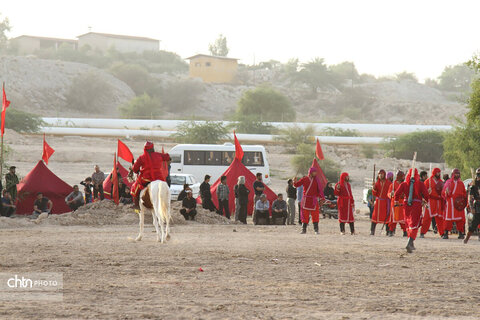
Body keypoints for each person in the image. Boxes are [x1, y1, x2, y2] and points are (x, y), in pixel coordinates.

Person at [394, 168, 429, 253]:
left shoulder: (404, 184)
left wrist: (396, 201)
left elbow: (396, 194)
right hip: (416, 206)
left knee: (409, 224)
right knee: (414, 225)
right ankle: (409, 242)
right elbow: (426, 195)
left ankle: (411, 243)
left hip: (406, 206)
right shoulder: (420, 184)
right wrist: (425, 200)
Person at [130, 141, 170, 208]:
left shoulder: (141, 158)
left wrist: (137, 171)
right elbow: (167, 156)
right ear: (152, 148)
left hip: (146, 179)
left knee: (135, 187)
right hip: (159, 178)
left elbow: (134, 168)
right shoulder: (158, 155)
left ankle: (136, 204)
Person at [294, 166, 325, 235]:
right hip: (306, 199)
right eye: (314, 172)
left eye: (316, 172)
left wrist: (321, 198)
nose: (315, 173)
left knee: (315, 215)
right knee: (305, 215)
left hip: (314, 200)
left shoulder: (317, 180)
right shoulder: (304, 179)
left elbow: (320, 190)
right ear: (311, 172)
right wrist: (294, 181)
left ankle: (316, 230)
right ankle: (303, 230)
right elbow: (296, 185)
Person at [441, 168, 467, 239]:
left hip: (459, 203)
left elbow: (464, 193)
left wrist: (463, 201)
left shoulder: (461, 183)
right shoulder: (448, 182)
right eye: (456, 173)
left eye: (458, 173)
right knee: (448, 218)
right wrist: (446, 193)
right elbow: (444, 192)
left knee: (460, 219)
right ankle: (446, 233)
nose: (457, 175)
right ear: (452, 174)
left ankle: (461, 233)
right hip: (450, 202)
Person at [421, 168, 444, 238]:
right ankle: (422, 232)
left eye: (439, 173)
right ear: (434, 173)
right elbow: (423, 192)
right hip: (430, 201)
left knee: (440, 218)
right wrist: (427, 191)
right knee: (427, 218)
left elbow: (443, 192)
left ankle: (442, 233)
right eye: (437, 173)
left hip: (438, 202)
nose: (439, 174)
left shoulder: (441, 182)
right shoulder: (428, 182)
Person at [371, 169, 392, 235]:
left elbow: (391, 191)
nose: (380, 175)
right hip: (378, 202)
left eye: (382, 174)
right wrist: (374, 188)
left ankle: (387, 231)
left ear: (384, 175)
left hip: (385, 202)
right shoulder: (377, 183)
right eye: (379, 174)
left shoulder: (389, 183)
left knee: (386, 216)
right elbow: (375, 194)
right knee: (375, 216)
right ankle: (372, 231)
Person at [388, 170, 407, 237]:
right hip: (395, 203)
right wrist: (391, 194)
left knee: (402, 218)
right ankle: (391, 230)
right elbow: (388, 194)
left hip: (402, 203)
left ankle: (405, 231)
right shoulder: (392, 185)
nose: (403, 178)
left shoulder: (405, 184)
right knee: (393, 218)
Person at [465, 168, 480, 243]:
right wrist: (471, 207)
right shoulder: (473, 185)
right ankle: (467, 238)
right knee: (474, 223)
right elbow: (470, 198)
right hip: (477, 205)